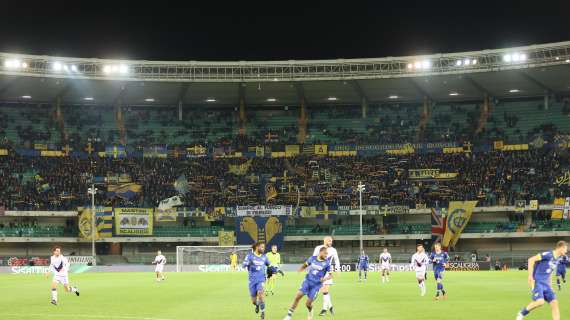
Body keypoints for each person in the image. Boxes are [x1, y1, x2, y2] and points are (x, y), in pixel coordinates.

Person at [516, 240, 568, 320]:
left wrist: (550, 286)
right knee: (540, 302)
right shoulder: (548, 254)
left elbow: (549, 272)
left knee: (554, 303)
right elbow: (531, 260)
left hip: (546, 284)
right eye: (565, 249)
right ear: (561, 247)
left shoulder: (558, 259)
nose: (566, 251)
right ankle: (522, 313)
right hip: (538, 282)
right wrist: (530, 276)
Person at [283, 246, 332, 320]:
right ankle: (289, 315)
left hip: (316, 286)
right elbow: (305, 265)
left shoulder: (327, 263)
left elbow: (331, 276)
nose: (326, 255)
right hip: (307, 281)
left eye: (327, 254)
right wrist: (300, 269)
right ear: (320, 252)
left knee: (308, 304)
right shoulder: (312, 258)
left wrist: (324, 279)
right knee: (297, 296)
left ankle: (310, 311)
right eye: (325, 253)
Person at [313, 236, 340, 316]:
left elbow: (336, 259)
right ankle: (330, 307)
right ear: (324, 241)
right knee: (324, 291)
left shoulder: (333, 250)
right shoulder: (318, 248)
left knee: (325, 290)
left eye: (331, 241)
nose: (330, 242)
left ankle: (324, 310)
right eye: (329, 241)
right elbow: (313, 258)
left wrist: (338, 269)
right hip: (319, 272)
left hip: (328, 272)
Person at [243, 242, 270, 320]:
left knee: (260, 293)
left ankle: (263, 313)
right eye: (262, 247)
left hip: (261, 279)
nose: (263, 249)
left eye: (264, 247)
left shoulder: (264, 257)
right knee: (254, 301)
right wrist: (248, 263)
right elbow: (243, 265)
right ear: (257, 247)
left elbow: (269, 265)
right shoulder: (249, 256)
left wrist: (275, 270)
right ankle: (257, 304)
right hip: (252, 281)